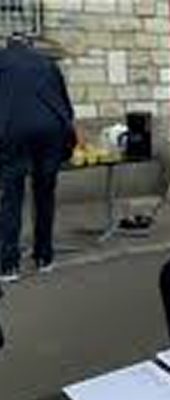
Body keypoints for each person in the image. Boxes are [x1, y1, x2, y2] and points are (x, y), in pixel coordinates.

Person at [0, 33, 75, 282]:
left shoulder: (2, 61)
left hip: (13, 131)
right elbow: (66, 105)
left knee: (12, 196)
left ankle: (9, 265)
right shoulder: (47, 63)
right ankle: (44, 257)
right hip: (50, 131)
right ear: (30, 46)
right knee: (44, 193)